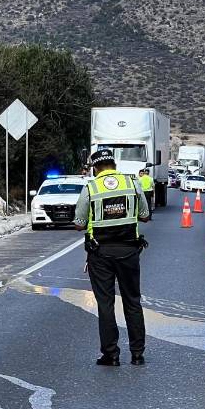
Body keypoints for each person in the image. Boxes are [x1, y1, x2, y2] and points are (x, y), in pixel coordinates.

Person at [73, 148, 152, 366]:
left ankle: (111, 354)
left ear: (96, 168)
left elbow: (79, 224)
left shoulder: (91, 188)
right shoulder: (133, 183)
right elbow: (145, 216)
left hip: (100, 254)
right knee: (132, 301)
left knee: (105, 303)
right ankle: (137, 354)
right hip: (129, 251)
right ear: (114, 166)